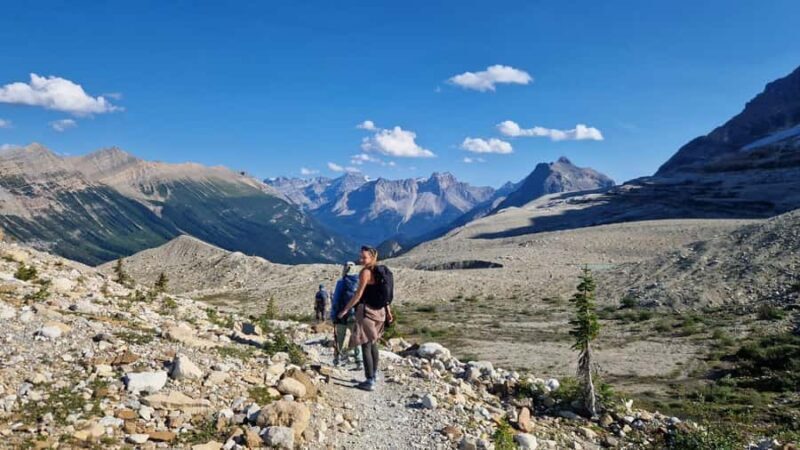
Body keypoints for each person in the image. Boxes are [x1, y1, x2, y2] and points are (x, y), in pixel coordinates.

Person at [337, 246, 394, 391]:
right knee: (373, 343)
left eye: (364, 257)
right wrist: (388, 312)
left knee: (365, 344)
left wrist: (345, 309)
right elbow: (385, 295)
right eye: (360, 257)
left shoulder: (366, 272)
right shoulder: (381, 272)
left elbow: (358, 294)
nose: (361, 260)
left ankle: (369, 380)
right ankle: (374, 374)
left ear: (372, 257)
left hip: (367, 312)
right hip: (380, 313)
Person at [330, 261, 362, 369]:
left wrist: (334, 315)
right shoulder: (360, 282)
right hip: (356, 315)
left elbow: (336, 300)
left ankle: (337, 359)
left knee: (340, 337)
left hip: (342, 315)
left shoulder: (341, 283)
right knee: (356, 337)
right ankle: (359, 360)